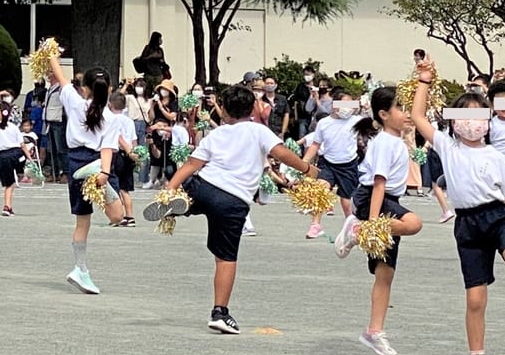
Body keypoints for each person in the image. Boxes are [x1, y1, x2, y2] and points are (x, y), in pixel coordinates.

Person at [143, 83, 317, 333]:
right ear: (253, 108)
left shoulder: (217, 134)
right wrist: (307, 169)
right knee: (225, 258)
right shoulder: (259, 131)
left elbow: (192, 164)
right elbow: (280, 153)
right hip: (232, 200)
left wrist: (169, 187)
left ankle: (179, 202)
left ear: (223, 110)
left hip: (204, 185)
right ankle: (220, 313)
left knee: (191, 190)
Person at [408, 69, 505, 355]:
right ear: (454, 122)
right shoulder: (447, 146)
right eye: (465, 116)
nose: (472, 123)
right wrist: (424, 81)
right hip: (467, 224)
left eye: (479, 116)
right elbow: (417, 115)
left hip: (499, 217)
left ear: (487, 121)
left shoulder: (495, 156)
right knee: (474, 299)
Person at [332, 87, 424, 355]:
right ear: (384, 114)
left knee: (385, 275)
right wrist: (373, 222)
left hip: (384, 200)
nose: (406, 113)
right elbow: (379, 183)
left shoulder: (396, 140)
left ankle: (374, 331)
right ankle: (358, 229)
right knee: (414, 222)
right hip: (374, 198)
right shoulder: (385, 142)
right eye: (400, 108)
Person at [47, 62, 126, 295]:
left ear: (84, 88)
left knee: (83, 221)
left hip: (74, 161)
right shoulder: (111, 117)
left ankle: (80, 268)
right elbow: (108, 148)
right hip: (94, 162)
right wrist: (104, 172)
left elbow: (61, 77)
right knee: (118, 215)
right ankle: (80, 271)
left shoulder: (74, 102)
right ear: (109, 88)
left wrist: (51, 54)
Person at [301, 87, 360, 240]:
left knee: (346, 200)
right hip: (327, 162)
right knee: (320, 190)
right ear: (335, 104)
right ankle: (315, 225)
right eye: (344, 104)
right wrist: (304, 163)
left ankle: (351, 225)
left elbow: (374, 130)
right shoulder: (324, 123)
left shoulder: (357, 121)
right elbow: (315, 144)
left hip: (348, 164)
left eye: (350, 105)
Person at [105, 91, 139, 226]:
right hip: (129, 156)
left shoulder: (111, 119)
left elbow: (117, 137)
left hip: (117, 154)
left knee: (116, 186)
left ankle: (118, 215)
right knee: (126, 188)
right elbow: (134, 140)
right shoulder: (129, 121)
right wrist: (134, 153)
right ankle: (130, 216)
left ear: (110, 104)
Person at [43, 73, 67, 182]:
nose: (48, 75)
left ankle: (65, 173)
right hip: (50, 121)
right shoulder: (50, 89)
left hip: (58, 121)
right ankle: (55, 173)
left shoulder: (60, 88)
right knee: (51, 150)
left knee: (61, 149)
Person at [125, 79, 152, 150]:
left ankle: (142, 160)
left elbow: (150, 117)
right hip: (133, 123)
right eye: (137, 86)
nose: (139, 88)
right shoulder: (130, 97)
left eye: (141, 86)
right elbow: (119, 97)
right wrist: (126, 85)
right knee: (133, 146)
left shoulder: (149, 101)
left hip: (144, 124)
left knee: (143, 147)